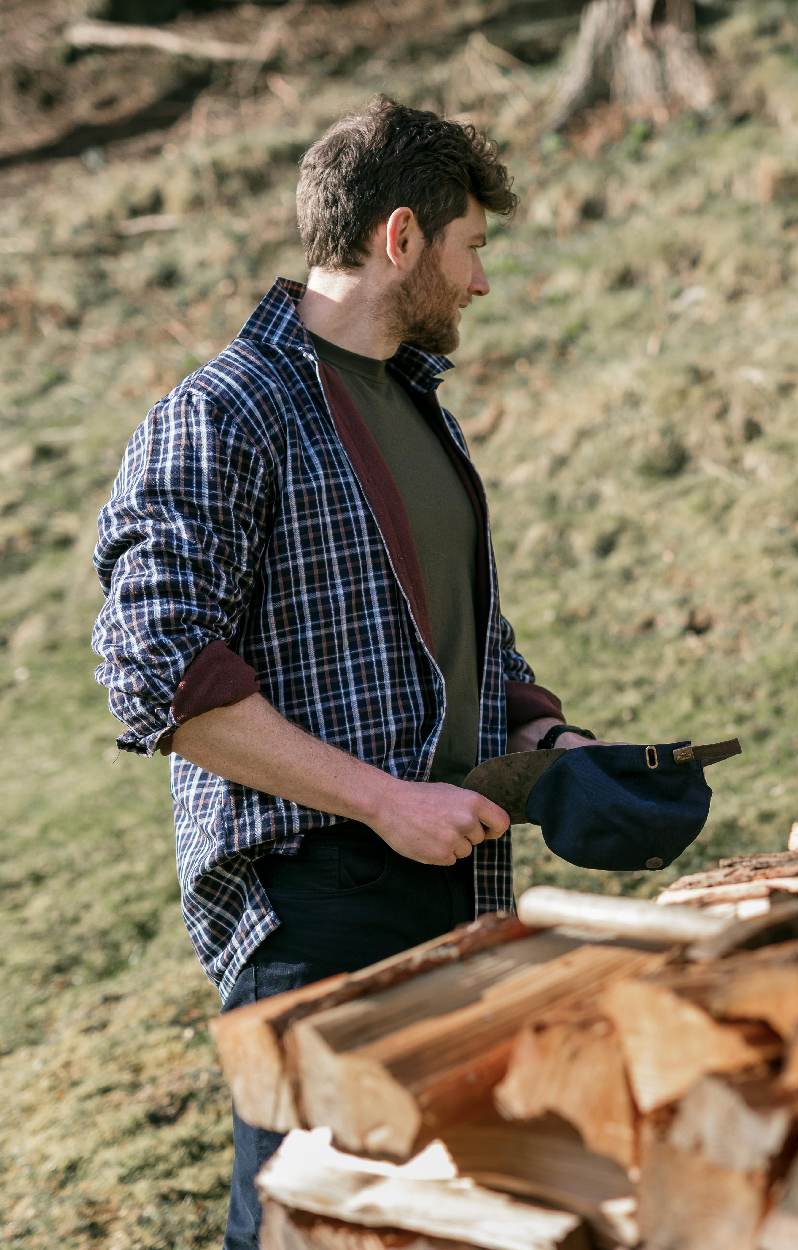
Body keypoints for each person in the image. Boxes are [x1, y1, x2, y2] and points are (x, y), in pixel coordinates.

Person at [91, 95, 599, 1249]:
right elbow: (156, 675)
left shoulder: (422, 411)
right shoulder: (226, 412)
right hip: (313, 903)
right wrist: (383, 798)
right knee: (306, 1225)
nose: (480, 284)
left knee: (446, 1222)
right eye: (472, 249)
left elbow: (470, 637)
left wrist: (547, 741)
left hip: (454, 880)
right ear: (402, 237)